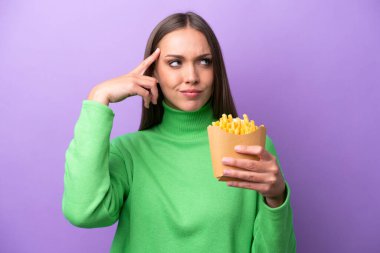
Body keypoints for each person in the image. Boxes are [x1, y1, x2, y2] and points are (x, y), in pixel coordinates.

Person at [62, 11, 296, 253]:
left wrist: (276, 198)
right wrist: (99, 97)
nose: (191, 77)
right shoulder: (128, 153)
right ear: (153, 72)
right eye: (175, 62)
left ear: (217, 70)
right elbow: (84, 213)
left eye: (204, 61)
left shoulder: (250, 147)